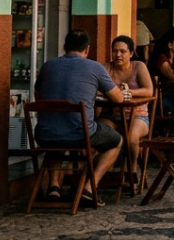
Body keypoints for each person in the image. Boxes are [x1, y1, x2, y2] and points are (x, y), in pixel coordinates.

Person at [35, 29, 125, 207]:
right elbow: (119, 98)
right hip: (80, 134)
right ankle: (89, 189)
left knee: (58, 130)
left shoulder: (48, 66)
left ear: (64, 47)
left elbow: (38, 96)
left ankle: (54, 187)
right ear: (87, 49)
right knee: (117, 140)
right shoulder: (95, 67)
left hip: (44, 134)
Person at [100, 35, 155, 173]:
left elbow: (149, 91)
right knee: (98, 135)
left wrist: (129, 92)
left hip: (138, 116)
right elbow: (98, 90)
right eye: (115, 51)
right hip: (111, 115)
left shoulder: (139, 66)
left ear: (131, 53)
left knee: (131, 139)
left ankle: (132, 169)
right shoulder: (107, 68)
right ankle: (100, 171)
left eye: (123, 51)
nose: (118, 55)